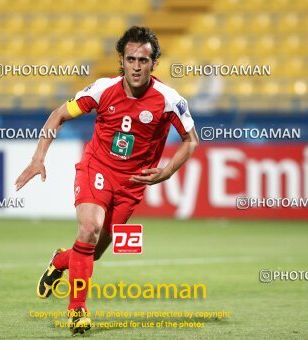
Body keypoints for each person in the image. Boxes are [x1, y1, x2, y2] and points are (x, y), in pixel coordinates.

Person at [15, 26, 198, 335]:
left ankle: (60, 261)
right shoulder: (103, 89)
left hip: (132, 183)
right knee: (88, 229)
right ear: (122, 61)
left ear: (154, 64)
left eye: (144, 60)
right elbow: (59, 114)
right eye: (131, 59)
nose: (137, 66)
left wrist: (166, 172)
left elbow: (190, 141)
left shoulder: (169, 100)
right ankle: (77, 311)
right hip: (97, 168)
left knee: (93, 250)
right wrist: (38, 158)